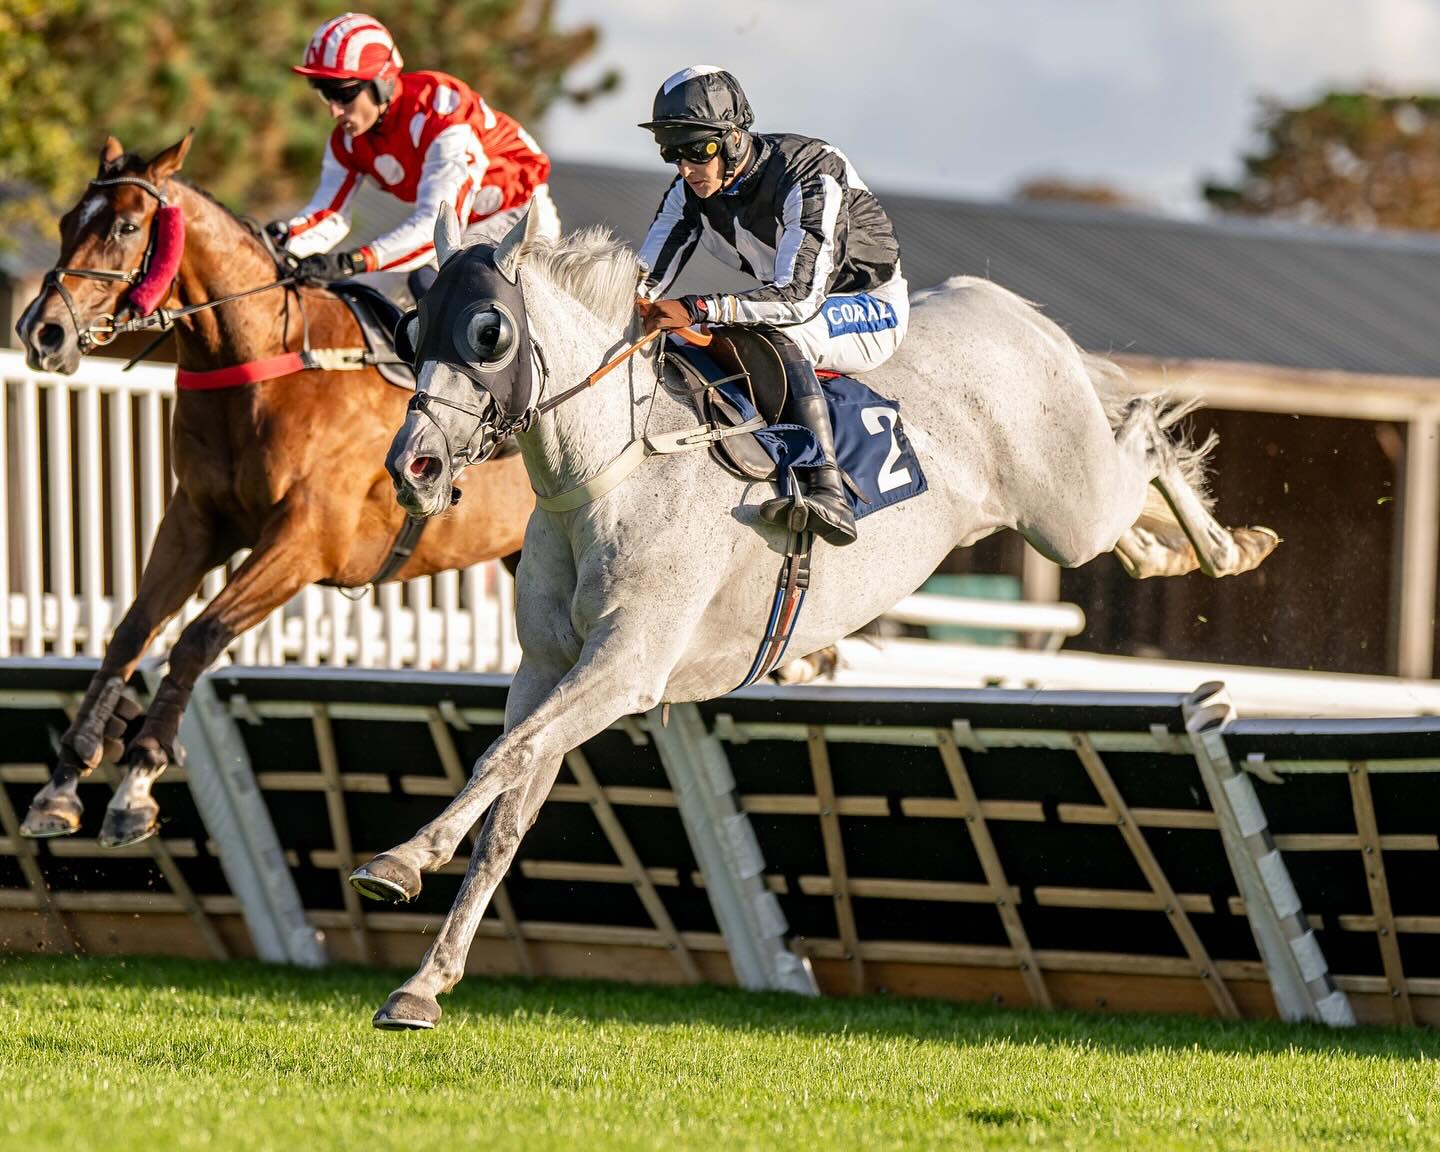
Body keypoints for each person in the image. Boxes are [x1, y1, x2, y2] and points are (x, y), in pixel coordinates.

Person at [634, 65, 907, 547]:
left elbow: (799, 298)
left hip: (866, 303)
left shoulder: (812, 172)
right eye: (672, 153)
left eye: (698, 150)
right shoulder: (687, 193)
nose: (686, 168)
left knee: (776, 332)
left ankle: (826, 486)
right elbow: (641, 283)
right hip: (797, 300)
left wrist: (697, 307)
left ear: (735, 138)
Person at [269, 13, 559, 297]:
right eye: (324, 92)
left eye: (342, 93)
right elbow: (327, 215)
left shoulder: (441, 115)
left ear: (381, 83)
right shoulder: (347, 141)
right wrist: (280, 245)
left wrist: (353, 261)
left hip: (518, 219)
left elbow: (436, 228)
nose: (333, 109)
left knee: (426, 281)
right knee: (361, 298)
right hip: (457, 229)